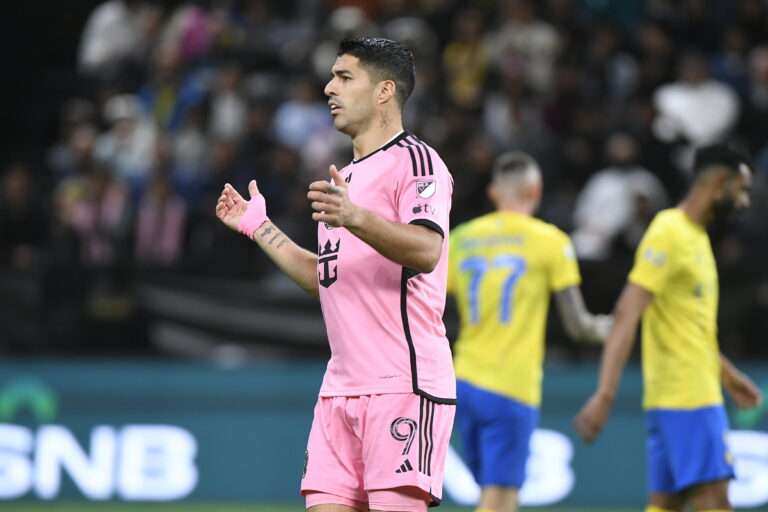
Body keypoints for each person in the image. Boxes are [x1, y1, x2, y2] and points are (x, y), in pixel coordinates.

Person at [215, 37, 455, 512]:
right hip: (338, 390)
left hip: (402, 386)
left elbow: (428, 249)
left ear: (385, 91)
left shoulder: (416, 161)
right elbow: (325, 279)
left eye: (345, 77)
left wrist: (356, 218)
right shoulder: (345, 179)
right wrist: (258, 226)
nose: (329, 88)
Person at [574, 143, 764, 512]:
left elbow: (688, 326)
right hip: (688, 398)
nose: (743, 202)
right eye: (741, 190)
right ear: (720, 182)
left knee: (665, 506)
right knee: (715, 502)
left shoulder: (695, 237)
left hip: (677, 396)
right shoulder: (670, 233)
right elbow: (627, 312)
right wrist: (606, 393)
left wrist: (727, 374)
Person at [447, 151, 611, 512]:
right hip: (511, 385)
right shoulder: (549, 241)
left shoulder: (461, 239)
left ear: (493, 193)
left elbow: (427, 304)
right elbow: (578, 325)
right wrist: (618, 329)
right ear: (535, 190)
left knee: (500, 492)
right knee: (498, 496)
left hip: (463, 380)